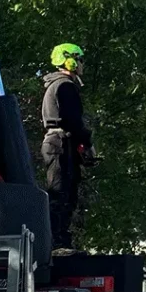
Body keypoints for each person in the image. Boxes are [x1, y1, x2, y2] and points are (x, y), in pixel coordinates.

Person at [41, 43, 96, 253]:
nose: (82, 65)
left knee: (65, 192)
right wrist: (88, 143)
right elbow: (73, 121)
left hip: (60, 143)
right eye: (79, 60)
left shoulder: (56, 85)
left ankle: (59, 241)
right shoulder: (65, 85)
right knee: (61, 193)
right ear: (70, 61)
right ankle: (57, 243)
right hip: (60, 144)